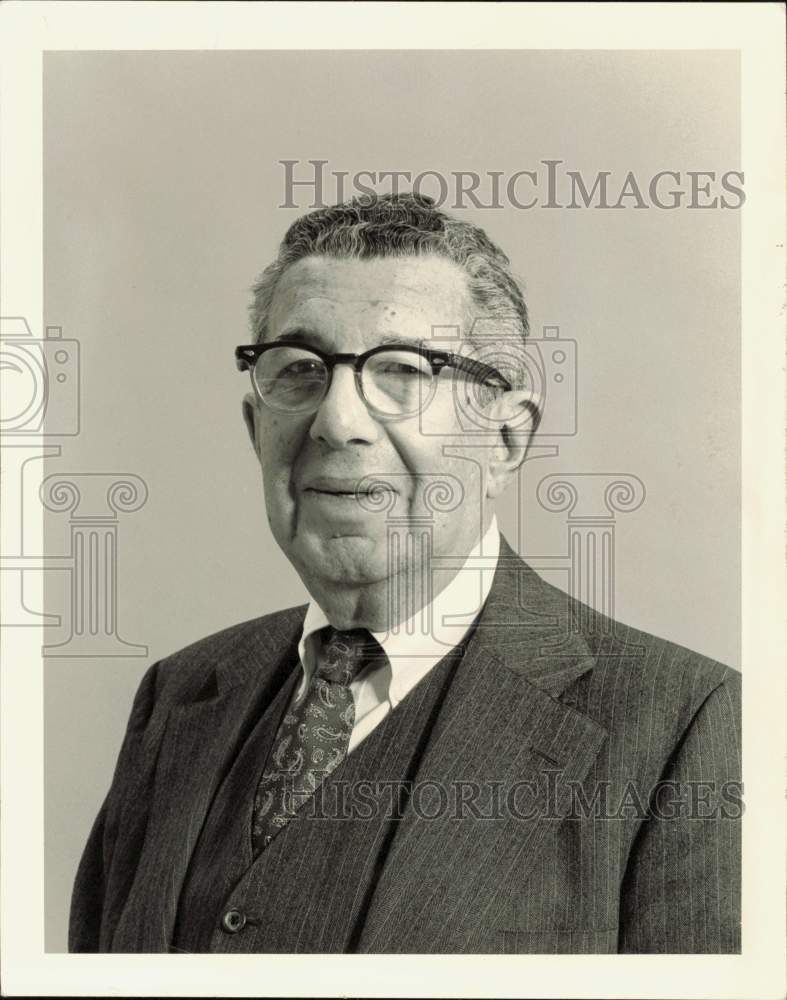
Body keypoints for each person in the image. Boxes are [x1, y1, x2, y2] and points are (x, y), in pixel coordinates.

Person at [69, 192, 741, 954]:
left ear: (506, 439)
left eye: (402, 371)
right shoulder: (180, 695)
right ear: (256, 429)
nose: (337, 421)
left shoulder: (684, 723)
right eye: (299, 371)